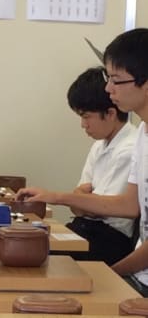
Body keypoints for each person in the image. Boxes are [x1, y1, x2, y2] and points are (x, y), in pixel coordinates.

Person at [16, 27, 148, 296]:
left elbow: (117, 210)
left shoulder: (132, 141)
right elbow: (129, 204)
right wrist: (58, 197)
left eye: (116, 80)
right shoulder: (143, 134)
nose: (108, 88)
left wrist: (109, 274)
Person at [58, 66, 137, 265]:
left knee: (43, 258)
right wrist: (84, 201)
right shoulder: (98, 147)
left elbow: (100, 208)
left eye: (86, 117)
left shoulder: (130, 148)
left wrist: (83, 200)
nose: (83, 125)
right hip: (85, 228)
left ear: (110, 113)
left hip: (109, 240)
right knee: (39, 244)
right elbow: (81, 204)